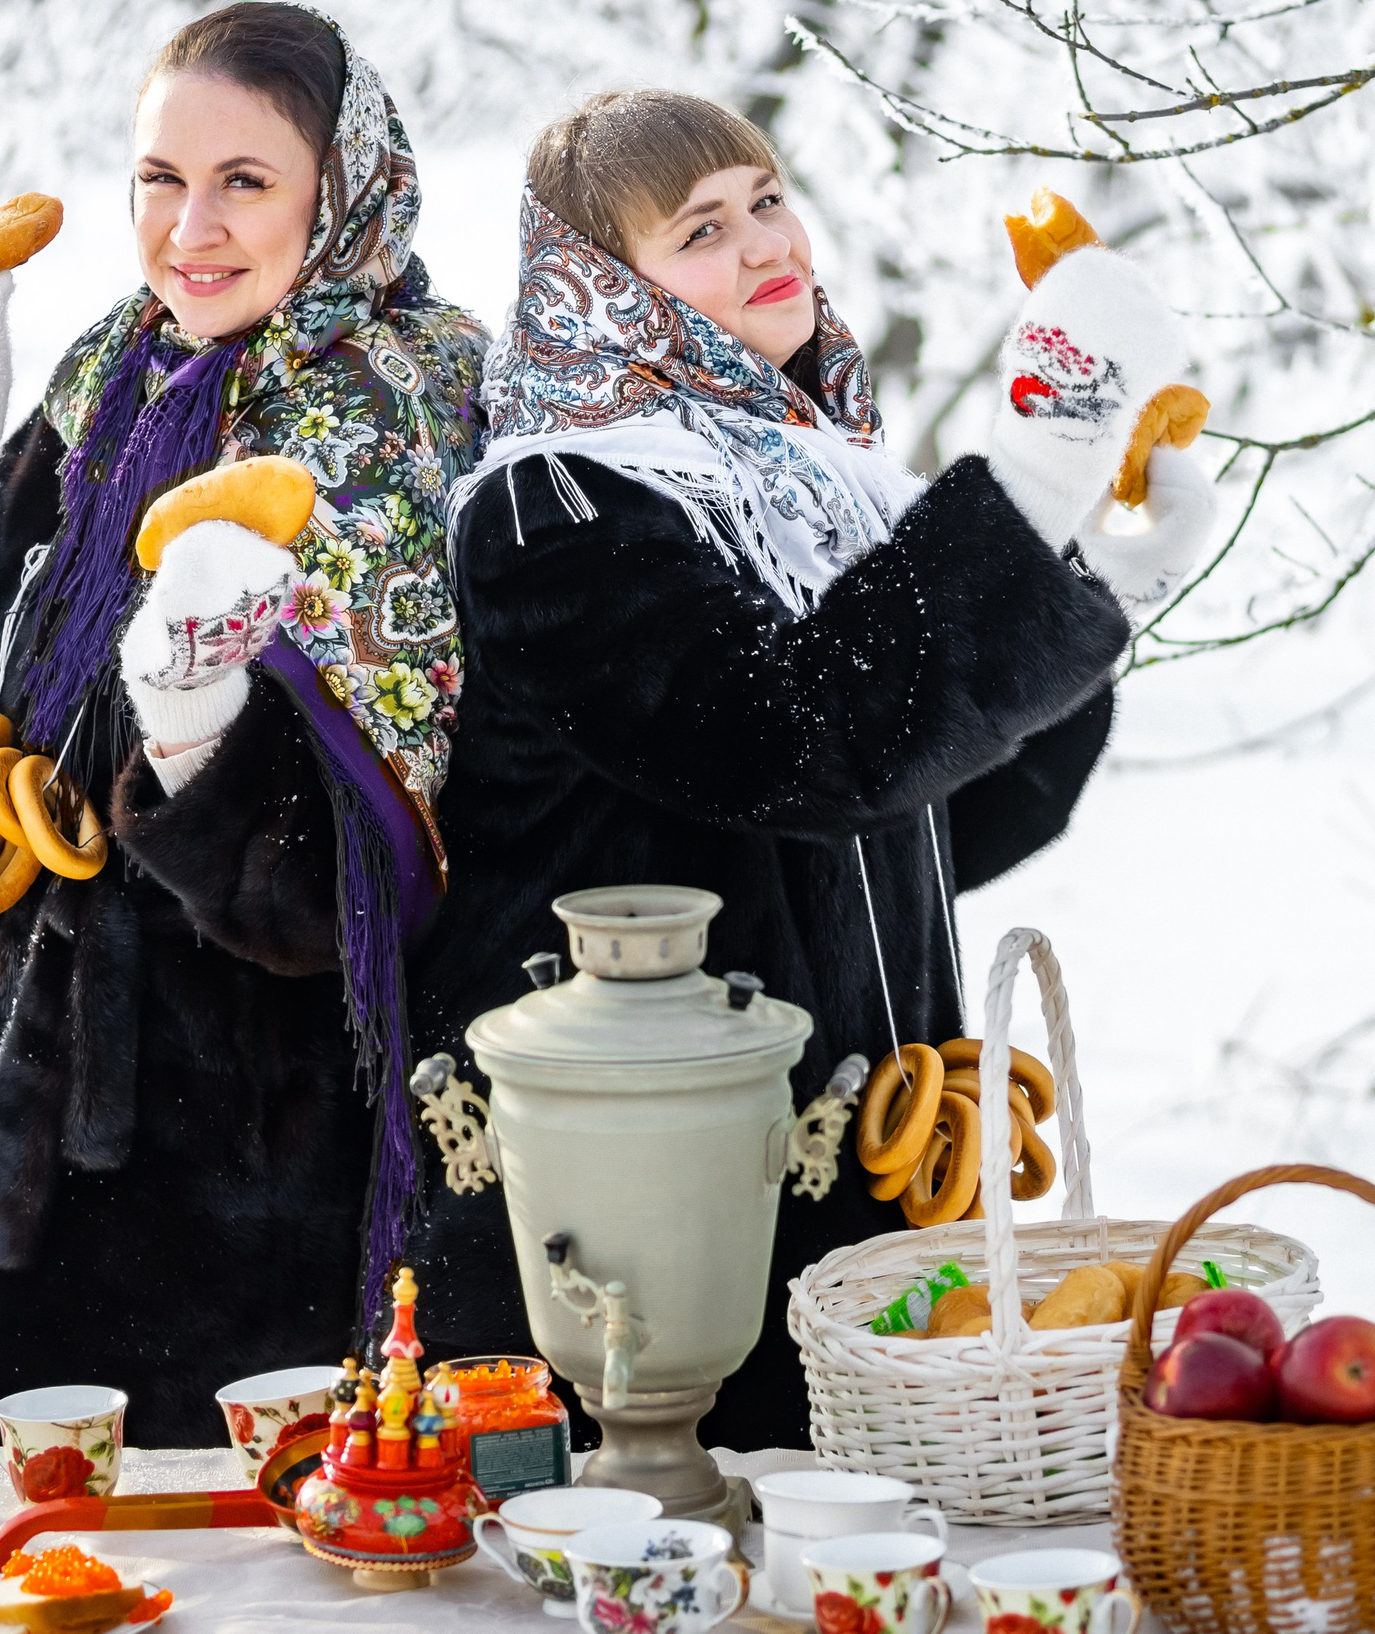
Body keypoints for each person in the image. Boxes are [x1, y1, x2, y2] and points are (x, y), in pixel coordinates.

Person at [404, 91, 1218, 1448]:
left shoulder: (817, 477)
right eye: (700, 229)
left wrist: (1101, 578)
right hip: (642, 1206)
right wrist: (1038, 456)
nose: (765, 245)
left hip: (849, 1156)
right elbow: (809, 747)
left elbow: (956, 810)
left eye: (766, 199)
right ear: (600, 293)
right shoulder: (561, 506)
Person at [0, 2, 486, 1445]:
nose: (192, 225)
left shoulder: (399, 414)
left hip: (250, 1163)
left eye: (246, 180)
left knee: (227, 1570)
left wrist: (197, 714)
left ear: (345, 189)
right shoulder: (121, 373)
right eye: (159, 178)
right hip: (32, 1109)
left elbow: (341, 899)